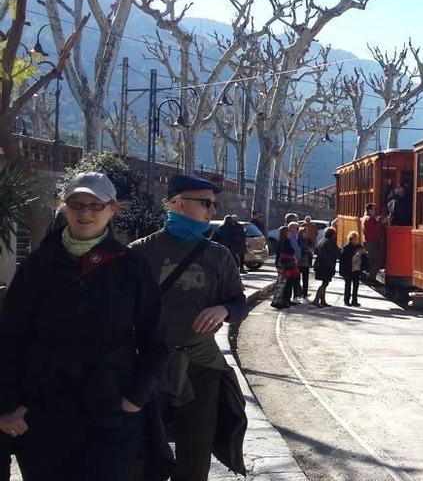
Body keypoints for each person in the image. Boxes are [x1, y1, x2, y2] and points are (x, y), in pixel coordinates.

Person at [0, 172, 167, 480]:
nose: (85, 212)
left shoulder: (131, 266)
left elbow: (154, 338)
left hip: (110, 411)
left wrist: (135, 398)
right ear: (64, 207)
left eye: (95, 204)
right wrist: (10, 405)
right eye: (76, 204)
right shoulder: (38, 266)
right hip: (44, 415)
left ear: (112, 209)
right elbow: (10, 338)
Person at [130, 174, 249, 481]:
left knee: (195, 458)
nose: (213, 211)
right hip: (149, 368)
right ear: (178, 204)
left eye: (214, 204)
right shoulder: (139, 253)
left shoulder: (219, 256)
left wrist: (224, 308)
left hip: (201, 368)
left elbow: (239, 303)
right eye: (206, 204)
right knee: (144, 457)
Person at [312, 227, 340, 308]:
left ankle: (323, 301)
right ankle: (316, 300)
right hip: (327, 265)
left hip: (321, 264)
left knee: (324, 283)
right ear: (333, 234)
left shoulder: (322, 240)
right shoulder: (331, 242)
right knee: (325, 283)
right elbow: (337, 254)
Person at [361, 203, 386, 283]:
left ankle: (371, 277)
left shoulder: (365, 218)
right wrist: (382, 221)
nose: (375, 211)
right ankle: (370, 278)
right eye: (374, 209)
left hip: (367, 241)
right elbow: (375, 229)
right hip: (372, 242)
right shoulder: (370, 219)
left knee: (372, 260)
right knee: (378, 260)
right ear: (369, 210)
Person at [339, 231, 366, 307]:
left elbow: (364, 255)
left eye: (357, 239)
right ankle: (346, 300)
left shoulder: (359, 247)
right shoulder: (346, 247)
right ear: (351, 239)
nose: (356, 240)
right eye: (355, 239)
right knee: (348, 285)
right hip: (348, 269)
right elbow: (343, 259)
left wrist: (363, 252)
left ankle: (354, 300)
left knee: (356, 285)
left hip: (356, 269)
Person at [297, 227, 314, 301]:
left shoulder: (309, 241)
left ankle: (305, 295)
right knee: (297, 279)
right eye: (305, 232)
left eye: (307, 232)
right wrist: (308, 250)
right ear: (301, 233)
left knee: (305, 280)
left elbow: (311, 249)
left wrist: (310, 250)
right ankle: (297, 294)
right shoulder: (298, 240)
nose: (307, 234)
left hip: (306, 262)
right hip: (298, 262)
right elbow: (302, 249)